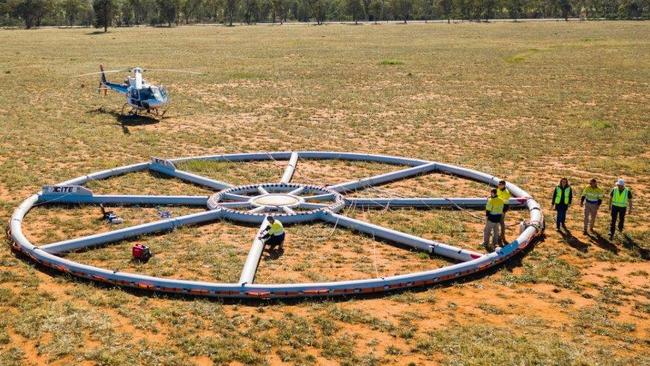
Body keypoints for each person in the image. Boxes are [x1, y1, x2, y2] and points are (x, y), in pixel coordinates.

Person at [496, 180, 511, 244]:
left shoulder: (506, 192)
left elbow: (504, 202)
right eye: (498, 184)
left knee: (501, 222)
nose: (499, 185)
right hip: (498, 206)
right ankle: (499, 237)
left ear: (504, 185)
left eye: (500, 184)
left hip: (503, 207)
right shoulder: (498, 189)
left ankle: (502, 237)